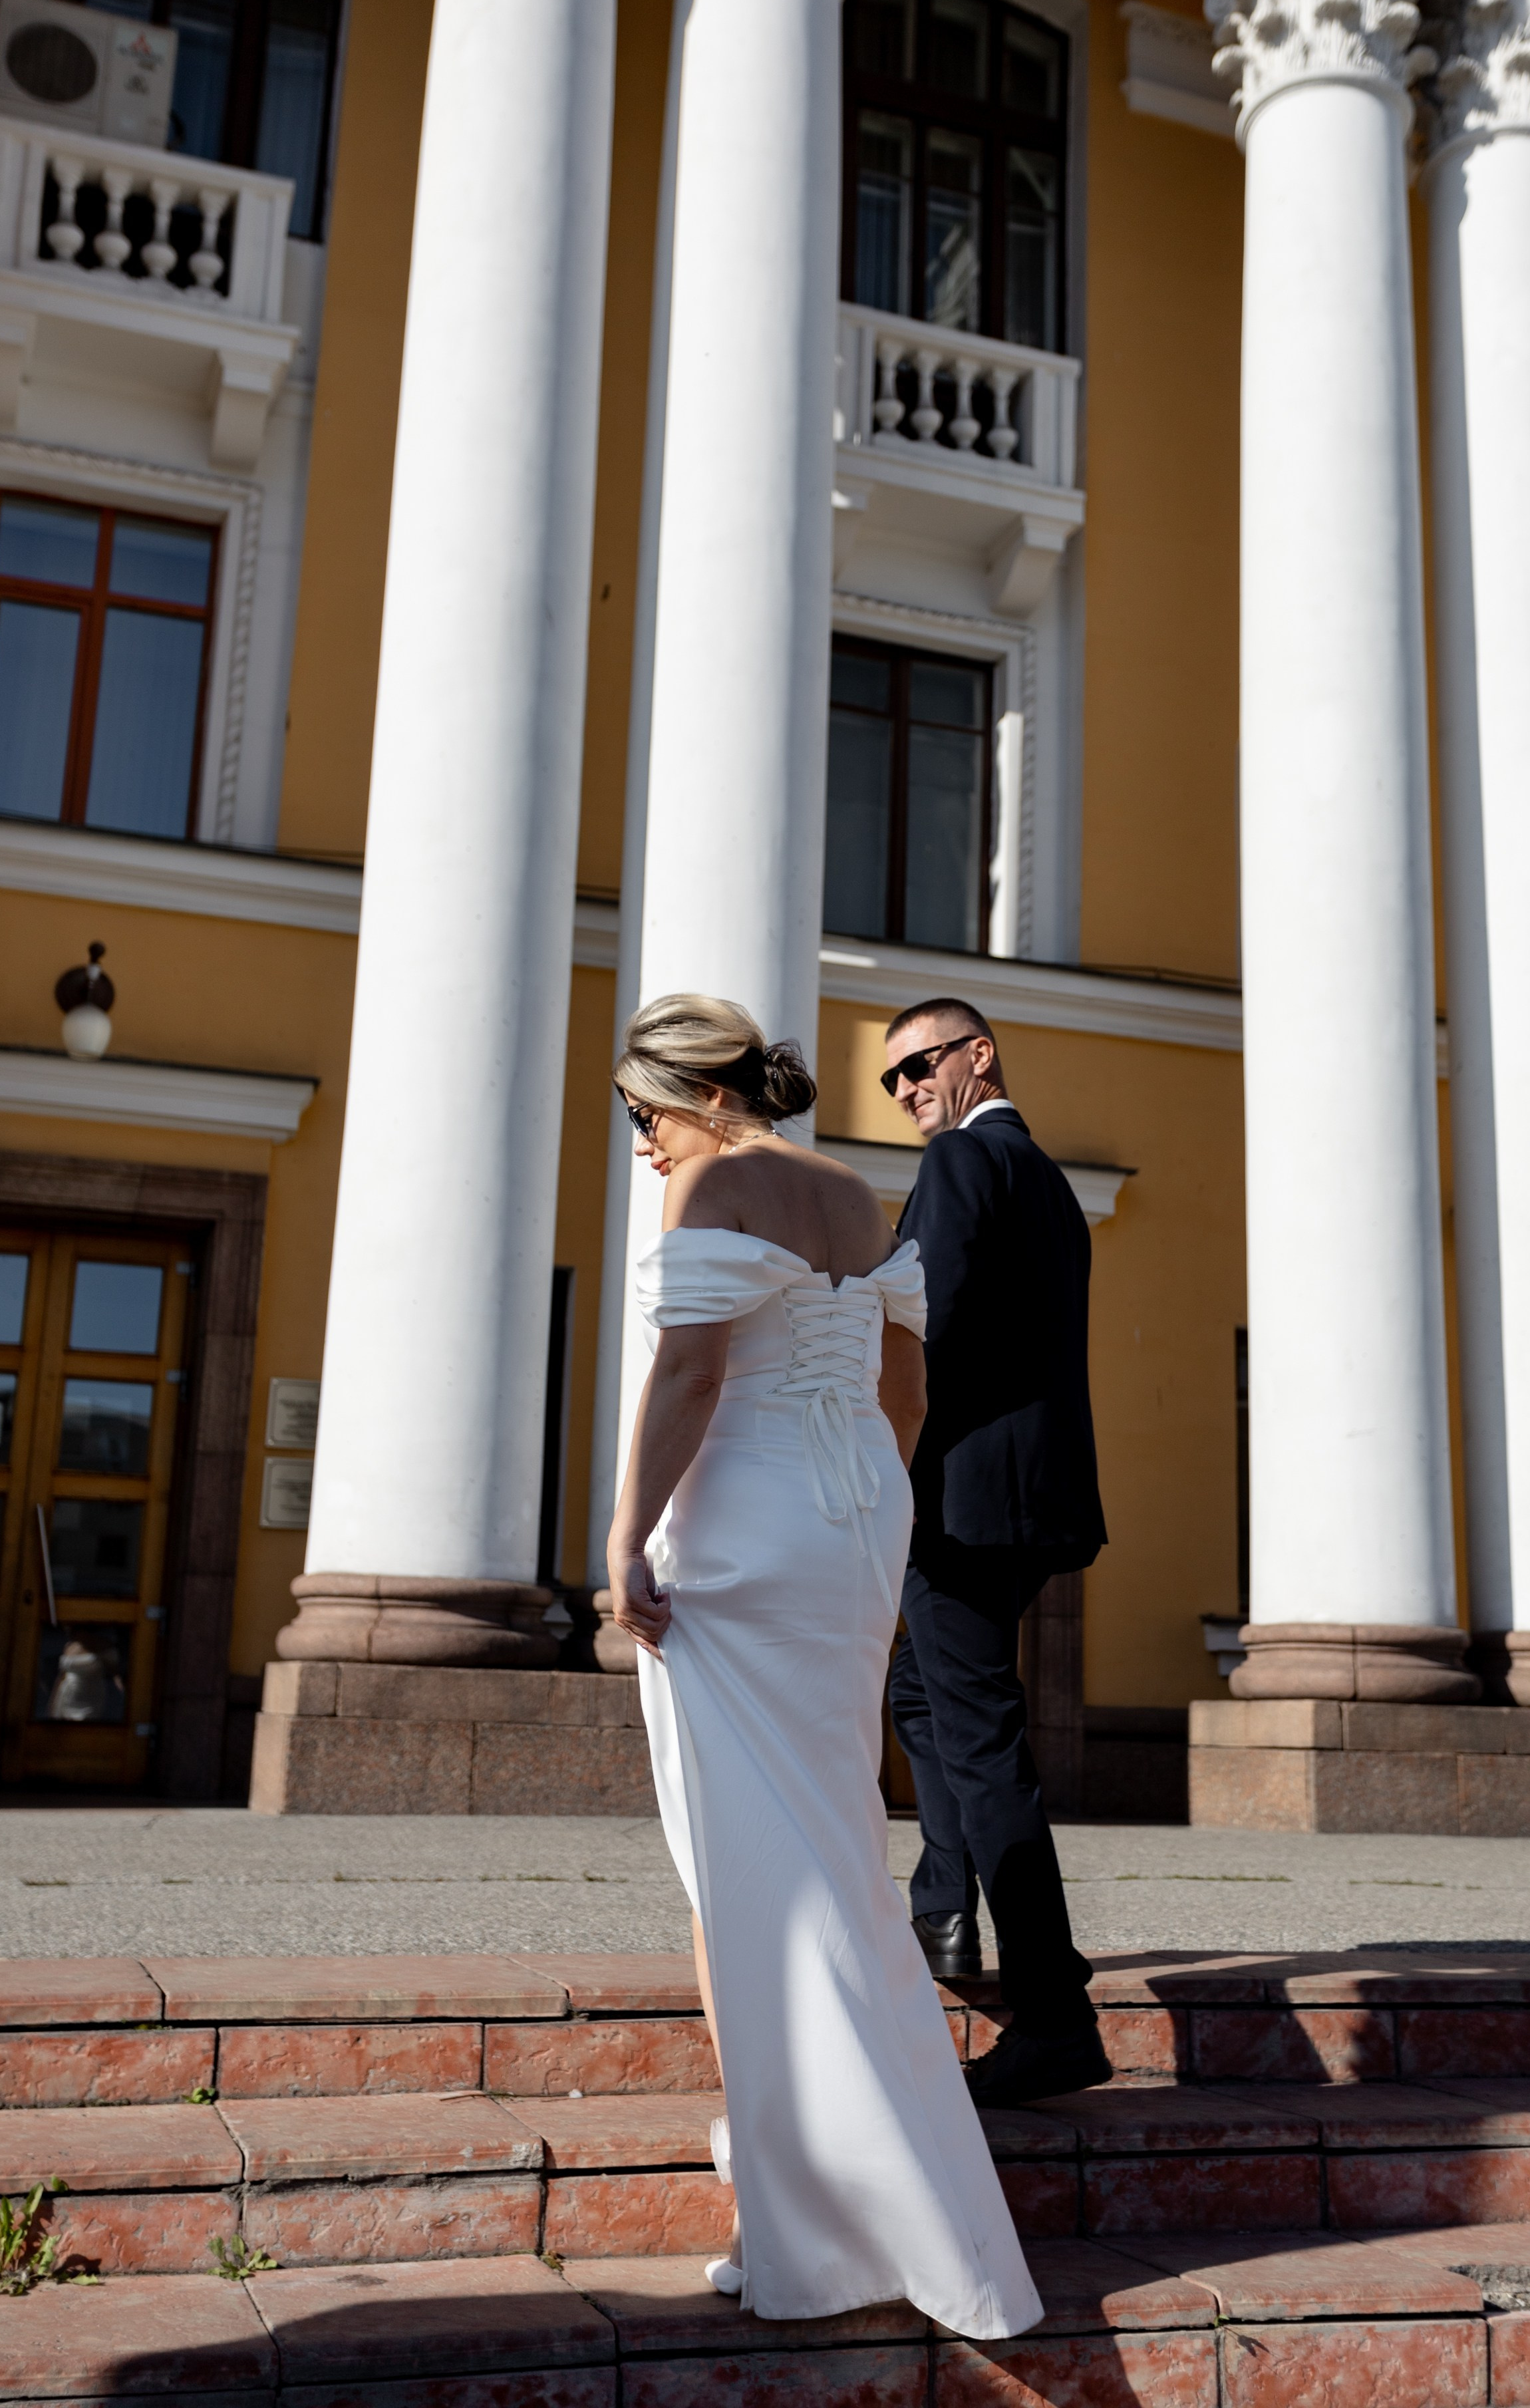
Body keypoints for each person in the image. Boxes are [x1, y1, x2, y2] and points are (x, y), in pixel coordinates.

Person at [607, 992, 1042, 2339]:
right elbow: (903, 1393)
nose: (642, 1150)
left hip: (739, 1534)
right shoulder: (861, 1195)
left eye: (643, 1119)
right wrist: (866, 1508)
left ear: (703, 1100)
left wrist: (624, 1540)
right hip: (852, 1522)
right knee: (838, 1850)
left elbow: (686, 1379)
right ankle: (880, 2193)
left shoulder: (717, 1188)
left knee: (741, 1863)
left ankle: (806, 2216)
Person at [883, 996, 1111, 2109]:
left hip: (962, 1503)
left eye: (920, 1064)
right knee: (922, 1696)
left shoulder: (963, 1167)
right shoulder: (1054, 1186)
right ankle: (941, 1897)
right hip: (1031, 1501)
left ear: (979, 1055)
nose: (908, 1089)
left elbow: (925, 1322)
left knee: (978, 1738)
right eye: (893, 1080)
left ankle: (1054, 2013)